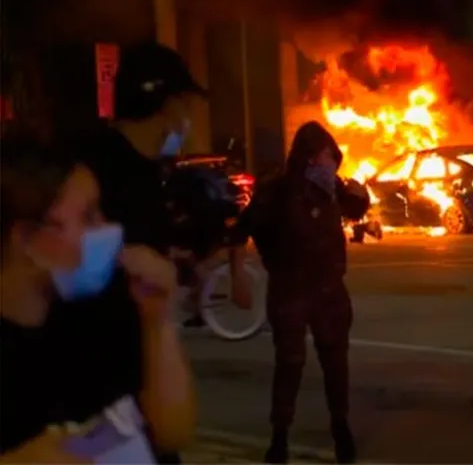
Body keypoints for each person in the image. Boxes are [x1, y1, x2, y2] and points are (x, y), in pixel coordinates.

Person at [0, 131, 194, 463]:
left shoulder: (100, 316)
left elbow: (171, 433)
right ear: (28, 240)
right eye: (88, 216)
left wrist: (159, 321)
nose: (107, 227)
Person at [73, 41, 251, 329]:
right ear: (169, 106)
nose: (189, 119)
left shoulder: (146, 172)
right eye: (187, 106)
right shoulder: (99, 171)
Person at [244, 121, 369, 464]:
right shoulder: (277, 191)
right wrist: (248, 272)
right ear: (312, 156)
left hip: (328, 291)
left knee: (335, 363)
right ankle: (279, 437)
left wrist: (360, 194)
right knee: (290, 364)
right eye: (328, 156)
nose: (332, 164)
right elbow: (246, 227)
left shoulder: (331, 189)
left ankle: (340, 429)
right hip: (291, 291)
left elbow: (357, 208)